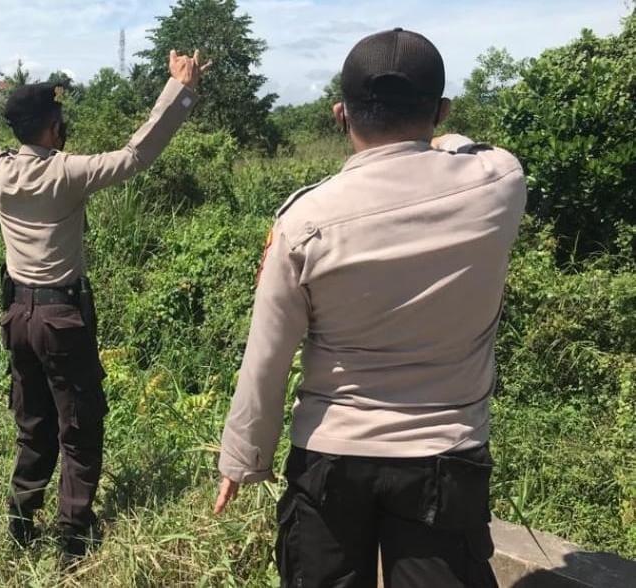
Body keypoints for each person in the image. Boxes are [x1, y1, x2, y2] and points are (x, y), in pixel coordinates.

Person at [214, 28, 526, 588]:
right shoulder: (498, 184)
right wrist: (437, 136)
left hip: (331, 456)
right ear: (441, 110)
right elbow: (469, 146)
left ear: (340, 115)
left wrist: (244, 457)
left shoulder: (304, 222)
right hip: (445, 456)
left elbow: (268, 355)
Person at [0, 47, 209, 566]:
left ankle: (20, 522)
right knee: (79, 429)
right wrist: (180, 89)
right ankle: (72, 539)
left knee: (33, 423)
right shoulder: (69, 173)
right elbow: (136, 154)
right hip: (62, 319)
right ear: (54, 127)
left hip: (16, 318)